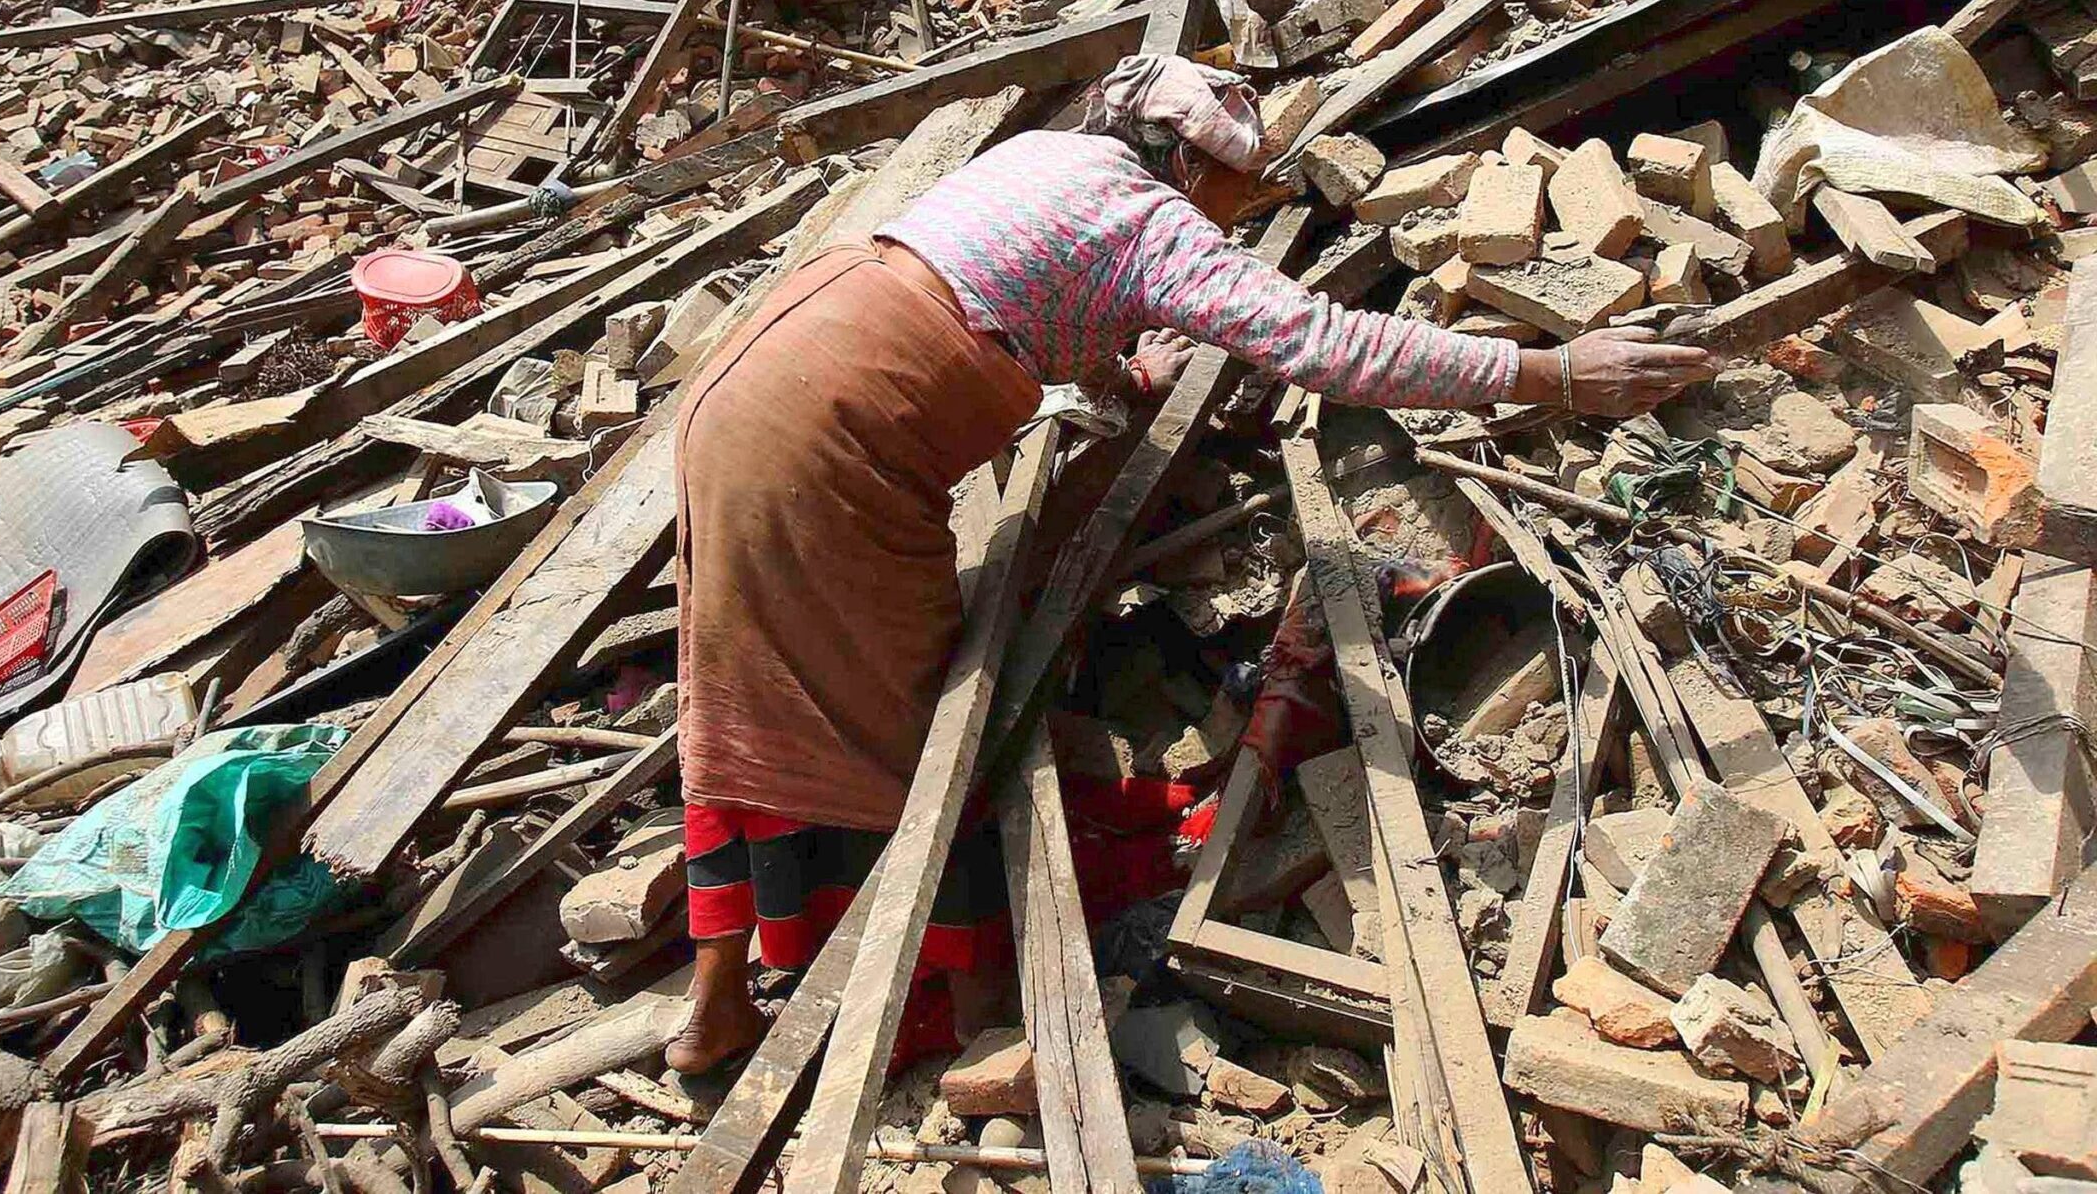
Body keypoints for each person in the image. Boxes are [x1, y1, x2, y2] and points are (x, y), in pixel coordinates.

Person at [663, 55, 1716, 1072]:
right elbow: (1321, 344)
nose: (1237, 214)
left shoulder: (1053, 158)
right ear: (1186, 163)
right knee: (900, 731)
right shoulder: (1156, 222)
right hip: (839, 437)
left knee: (746, 697)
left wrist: (1122, 371)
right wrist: (1550, 370)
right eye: (1234, 190)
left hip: (764, 373)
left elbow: (993, 290)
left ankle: (713, 1006)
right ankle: (967, 1013)